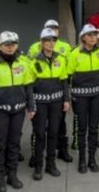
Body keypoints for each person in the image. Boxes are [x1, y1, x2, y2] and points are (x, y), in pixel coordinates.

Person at [0, 31, 35, 192]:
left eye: (13, 44)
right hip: (0, 112)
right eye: (6, 44)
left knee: (14, 143)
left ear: (17, 45)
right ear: (0, 46)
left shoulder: (23, 63)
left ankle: (12, 174)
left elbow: (28, 88)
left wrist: (31, 107)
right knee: (0, 145)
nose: (10, 47)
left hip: (18, 111)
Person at [28, 20, 72, 165]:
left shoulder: (60, 58)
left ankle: (51, 163)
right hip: (40, 103)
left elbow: (64, 80)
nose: (51, 43)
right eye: (47, 40)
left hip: (56, 103)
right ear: (41, 42)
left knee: (54, 133)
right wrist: (31, 105)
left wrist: (66, 100)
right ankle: (38, 164)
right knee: (39, 133)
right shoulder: (33, 61)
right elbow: (29, 85)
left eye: (53, 40)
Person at [68, 25, 99, 173]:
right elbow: (69, 75)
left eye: (95, 34)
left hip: (97, 95)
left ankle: (92, 159)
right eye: (90, 35)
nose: (93, 37)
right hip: (80, 96)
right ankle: (82, 160)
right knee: (81, 129)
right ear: (83, 37)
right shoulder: (75, 53)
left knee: (94, 128)